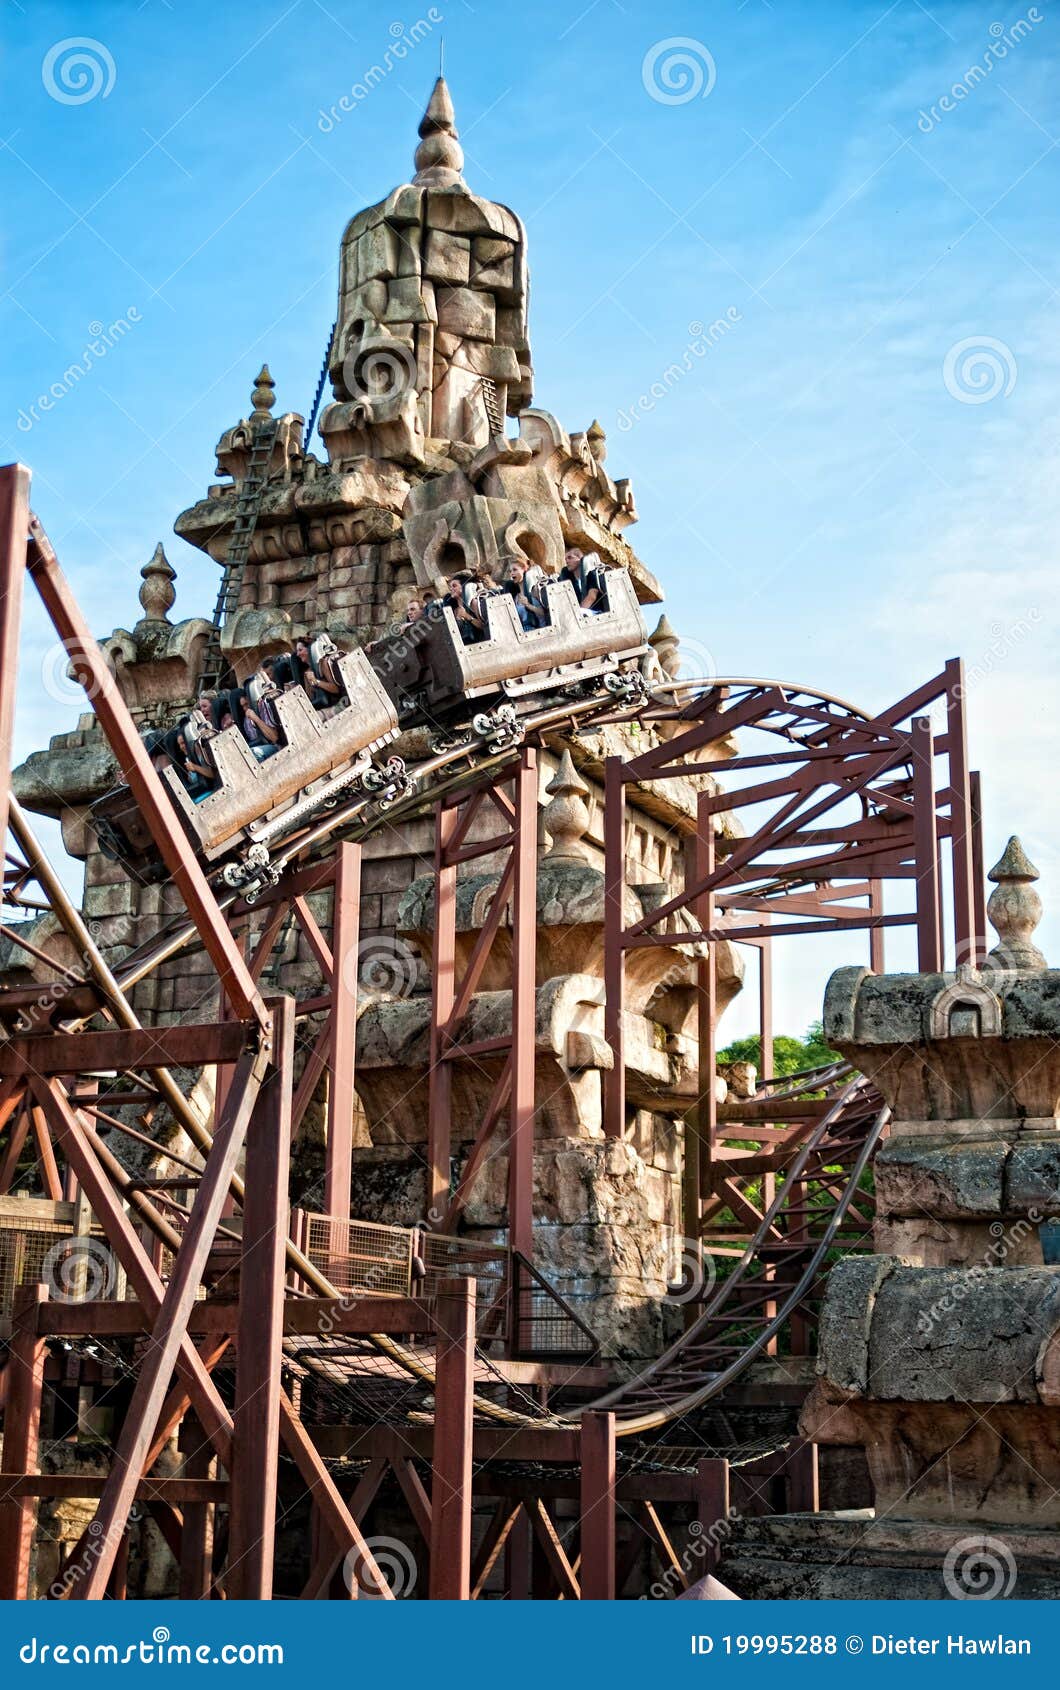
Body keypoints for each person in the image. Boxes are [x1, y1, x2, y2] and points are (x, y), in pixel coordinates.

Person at [503, 560, 546, 630]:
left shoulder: (534, 591)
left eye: (515, 570)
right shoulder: (516, 597)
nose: (512, 573)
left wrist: (528, 605)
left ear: (524, 569)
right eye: (510, 571)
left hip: (538, 629)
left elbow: (544, 613)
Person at [561, 547, 604, 614]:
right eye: (565, 559)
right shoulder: (570, 581)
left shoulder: (592, 574)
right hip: (581, 612)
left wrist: (577, 614)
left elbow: (592, 597)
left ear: (579, 558)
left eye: (570, 558)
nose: (567, 561)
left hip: (595, 612)